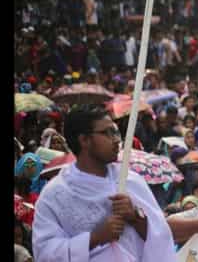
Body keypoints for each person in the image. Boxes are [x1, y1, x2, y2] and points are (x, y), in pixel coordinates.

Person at [33, 106, 176, 261]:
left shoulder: (130, 180)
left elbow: (162, 237)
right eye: (107, 133)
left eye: (115, 132)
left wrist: (135, 216)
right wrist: (95, 238)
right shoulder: (54, 195)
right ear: (84, 140)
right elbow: (45, 254)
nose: (116, 140)